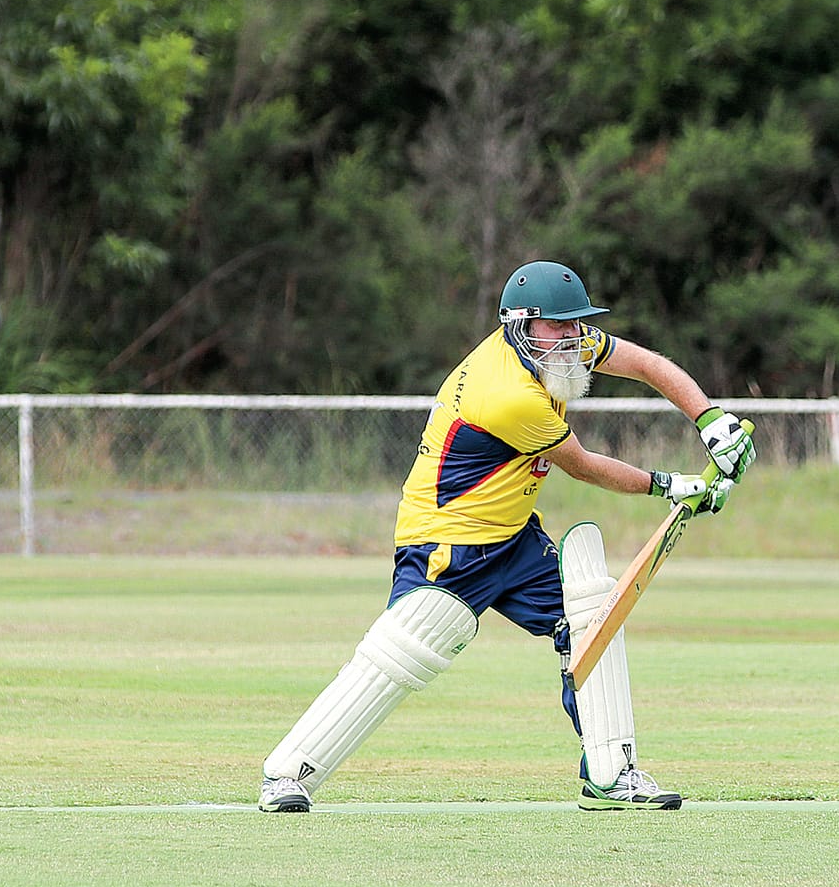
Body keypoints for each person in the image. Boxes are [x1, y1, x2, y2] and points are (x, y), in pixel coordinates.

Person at [258, 259, 756, 812]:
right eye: (559, 326)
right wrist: (673, 486)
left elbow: (646, 365)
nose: (573, 337)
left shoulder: (562, 344)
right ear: (521, 324)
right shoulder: (508, 394)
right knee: (403, 650)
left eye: (578, 324)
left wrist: (710, 418)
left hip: (514, 538)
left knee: (593, 620)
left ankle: (611, 773)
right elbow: (584, 466)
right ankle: (287, 774)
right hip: (446, 538)